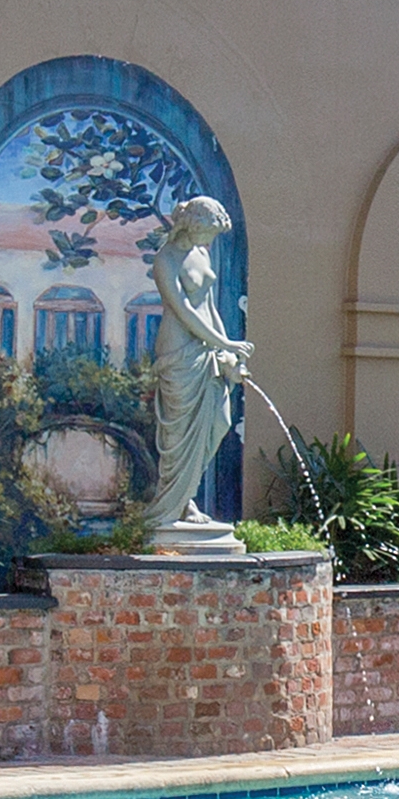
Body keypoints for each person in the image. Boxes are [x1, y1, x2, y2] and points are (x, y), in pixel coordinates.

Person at [143, 195, 249, 554]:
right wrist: (223, 341)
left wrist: (224, 348)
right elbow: (184, 310)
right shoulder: (165, 259)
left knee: (218, 421)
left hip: (206, 350)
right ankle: (172, 507)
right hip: (179, 352)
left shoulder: (203, 253)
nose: (211, 240)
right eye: (209, 232)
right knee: (177, 435)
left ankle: (185, 496)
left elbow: (209, 307)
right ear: (194, 225)